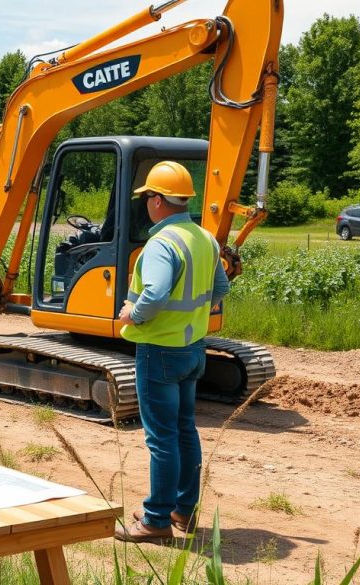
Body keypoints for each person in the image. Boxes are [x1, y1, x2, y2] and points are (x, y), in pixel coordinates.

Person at [113, 161, 231, 543]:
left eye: (147, 196)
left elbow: (157, 291)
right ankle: (183, 510)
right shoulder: (204, 238)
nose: (146, 203)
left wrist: (134, 313)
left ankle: (156, 520)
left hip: (160, 350)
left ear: (159, 200)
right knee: (183, 430)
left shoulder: (162, 243)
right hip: (193, 347)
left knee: (160, 438)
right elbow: (221, 290)